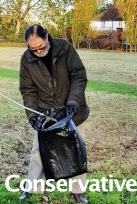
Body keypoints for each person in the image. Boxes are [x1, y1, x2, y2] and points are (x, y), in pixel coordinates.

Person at [19, 24, 90, 203]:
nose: (37, 51)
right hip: (45, 113)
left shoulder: (65, 48)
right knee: (38, 152)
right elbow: (28, 90)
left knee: (76, 150)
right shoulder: (26, 59)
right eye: (32, 48)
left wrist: (74, 101)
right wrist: (32, 115)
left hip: (72, 110)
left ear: (47, 37)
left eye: (40, 47)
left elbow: (79, 76)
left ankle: (78, 192)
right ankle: (33, 188)